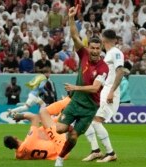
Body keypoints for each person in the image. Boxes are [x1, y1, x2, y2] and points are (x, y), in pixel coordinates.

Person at [54, 6, 109, 167]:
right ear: (88, 47)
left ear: (101, 49)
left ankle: (60, 159)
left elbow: (94, 88)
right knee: (59, 129)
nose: (94, 51)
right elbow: (74, 35)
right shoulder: (83, 53)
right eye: (92, 47)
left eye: (98, 48)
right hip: (76, 102)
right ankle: (72, 127)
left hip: (89, 107)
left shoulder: (103, 67)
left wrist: (75, 88)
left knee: (72, 138)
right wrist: (71, 18)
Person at [82, 29, 125, 162]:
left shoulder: (116, 53)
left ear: (103, 39)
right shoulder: (108, 54)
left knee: (95, 121)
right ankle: (96, 151)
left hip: (110, 91)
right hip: (103, 90)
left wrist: (111, 91)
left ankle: (110, 153)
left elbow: (120, 71)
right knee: (86, 119)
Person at [4, 96, 71, 160]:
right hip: (60, 148)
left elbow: (18, 151)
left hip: (56, 155)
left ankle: (63, 115)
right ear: (15, 137)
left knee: (42, 129)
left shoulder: (19, 155)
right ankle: (68, 101)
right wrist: (21, 116)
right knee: (43, 113)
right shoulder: (29, 141)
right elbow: (34, 117)